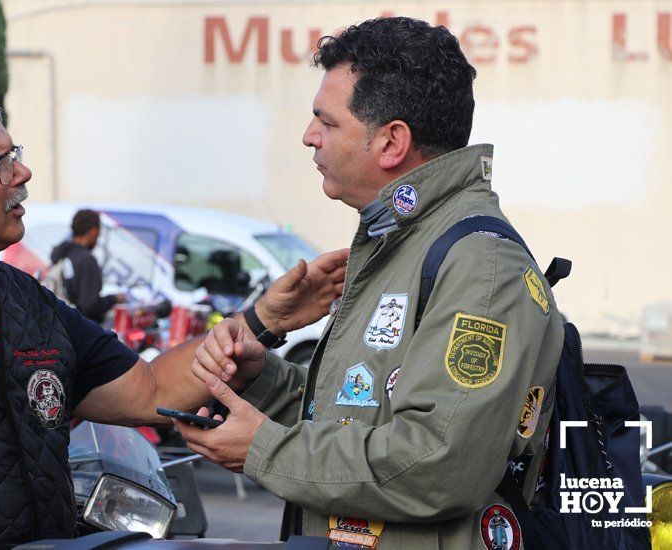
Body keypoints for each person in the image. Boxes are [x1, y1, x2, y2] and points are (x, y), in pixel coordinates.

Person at [0, 85, 348, 549]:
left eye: (17, 155)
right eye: (0, 164)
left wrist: (262, 320)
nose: (22, 174)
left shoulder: (26, 299)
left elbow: (151, 388)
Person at [177, 17, 564, 550]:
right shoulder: (403, 242)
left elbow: (437, 463)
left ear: (391, 143)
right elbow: (354, 418)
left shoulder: (480, 266)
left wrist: (263, 449)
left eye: (326, 122)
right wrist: (261, 378)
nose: (308, 136)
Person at [49, 209, 124, 323]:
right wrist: (114, 299)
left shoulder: (63, 253)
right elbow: (89, 306)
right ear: (94, 231)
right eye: (99, 231)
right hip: (79, 331)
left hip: (60, 325)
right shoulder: (87, 260)